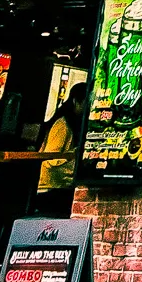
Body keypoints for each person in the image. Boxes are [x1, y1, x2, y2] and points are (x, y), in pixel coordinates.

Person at [37, 83, 86, 214]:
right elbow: (50, 159)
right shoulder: (62, 125)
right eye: (87, 103)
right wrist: (75, 155)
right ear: (76, 101)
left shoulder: (71, 123)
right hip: (51, 189)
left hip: (59, 188)